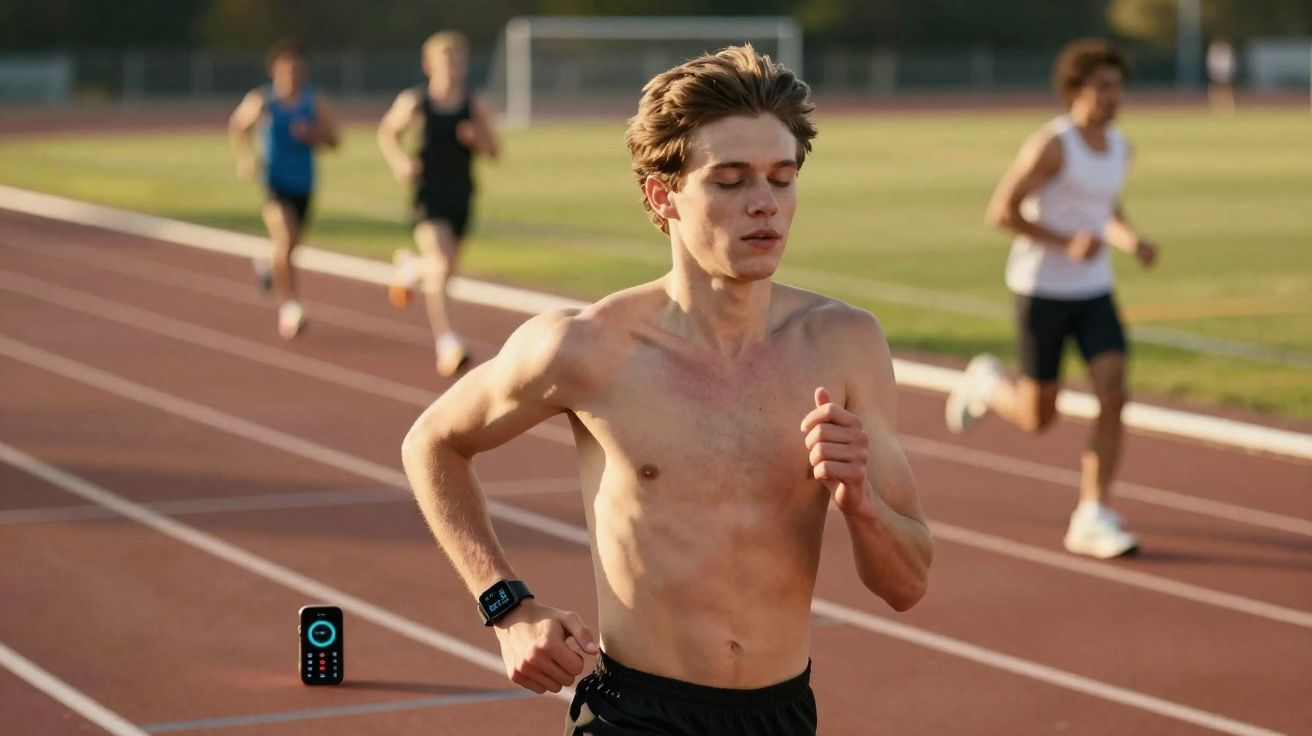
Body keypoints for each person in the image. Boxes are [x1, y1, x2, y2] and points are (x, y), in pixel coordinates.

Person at [401, 45, 932, 735]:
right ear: (663, 194)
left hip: (782, 716)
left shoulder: (845, 345)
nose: (764, 204)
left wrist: (860, 503)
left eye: (781, 177)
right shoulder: (586, 347)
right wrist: (506, 606)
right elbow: (433, 443)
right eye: (731, 181)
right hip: (635, 716)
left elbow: (907, 584)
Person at [947, 38, 1159, 559]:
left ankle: (1092, 512)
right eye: (1103, 87)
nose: (1114, 97)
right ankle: (989, 382)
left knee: (1114, 390)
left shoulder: (1120, 149)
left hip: (1094, 290)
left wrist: (1129, 240)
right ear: (1075, 91)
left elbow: (1102, 208)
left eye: (1119, 87)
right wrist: (1065, 243)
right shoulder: (1052, 144)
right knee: (1039, 418)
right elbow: (1002, 211)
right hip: (1042, 290)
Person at [378, 30, 499, 377]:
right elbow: (387, 132)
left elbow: (494, 151)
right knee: (443, 266)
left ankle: (409, 268)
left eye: (458, 60)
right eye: (445, 61)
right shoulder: (415, 102)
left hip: (461, 195)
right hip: (427, 196)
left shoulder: (472, 104)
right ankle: (448, 343)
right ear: (428, 65)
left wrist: (477, 139)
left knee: (444, 272)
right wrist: (400, 161)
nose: (452, 67)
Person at [228, 38, 339, 339]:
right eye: (286, 70)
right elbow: (238, 126)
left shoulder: (315, 102)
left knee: (289, 248)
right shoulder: (264, 101)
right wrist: (247, 158)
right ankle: (290, 307)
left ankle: (267, 263)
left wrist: (313, 134)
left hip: (304, 183)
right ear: (274, 71)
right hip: (274, 182)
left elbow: (334, 140)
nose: (292, 76)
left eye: (297, 70)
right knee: (286, 238)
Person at [1206, 38, 1237, 114]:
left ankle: (1228, 105)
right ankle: (1215, 105)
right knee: (1215, 88)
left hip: (1224, 72)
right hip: (1217, 73)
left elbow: (1230, 62)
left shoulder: (1225, 51)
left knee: (1226, 88)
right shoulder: (1215, 51)